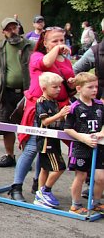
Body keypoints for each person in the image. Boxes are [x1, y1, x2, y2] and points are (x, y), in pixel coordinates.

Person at [6, 26, 75, 201]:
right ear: (44, 43)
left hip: (60, 108)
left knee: (49, 148)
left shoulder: (65, 61)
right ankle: (16, 187)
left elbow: (69, 86)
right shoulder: (37, 56)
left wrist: (74, 83)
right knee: (31, 149)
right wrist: (57, 50)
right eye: (55, 41)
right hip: (39, 108)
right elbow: (46, 63)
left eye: (62, 40)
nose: (60, 44)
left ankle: (39, 186)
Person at [0, 17, 34, 171]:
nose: (12, 31)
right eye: (9, 29)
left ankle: (26, 157)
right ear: (4, 32)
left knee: (27, 126)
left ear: (18, 28)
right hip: (7, 93)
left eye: (14, 28)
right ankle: (10, 155)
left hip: (27, 93)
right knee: (7, 126)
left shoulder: (30, 46)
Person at [64, 72, 104, 214]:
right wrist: (83, 138)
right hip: (80, 148)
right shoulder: (74, 107)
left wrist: (100, 134)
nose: (94, 90)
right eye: (90, 87)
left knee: (100, 177)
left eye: (96, 87)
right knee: (80, 176)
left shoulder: (100, 105)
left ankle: (96, 202)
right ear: (79, 88)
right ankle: (75, 205)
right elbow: (68, 129)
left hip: (98, 147)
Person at [31, 72, 70, 209]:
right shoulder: (41, 102)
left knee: (45, 168)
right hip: (46, 140)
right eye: (55, 87)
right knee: (59, 167)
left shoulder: (54, 102)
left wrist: (64, 118)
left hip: (54, 138)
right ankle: (45, 190)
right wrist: (60, 114)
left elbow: (58, 119)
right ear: (44, 88)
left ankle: (40, 195)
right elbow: (46, 121)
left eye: (59, 87)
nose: (59, 89)